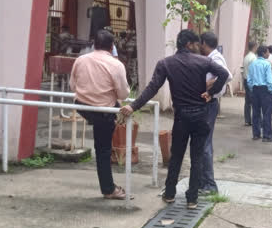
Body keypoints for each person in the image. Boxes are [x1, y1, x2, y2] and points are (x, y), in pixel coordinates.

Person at [121, 29, 229, 208]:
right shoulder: (204, 61)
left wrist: (133, 106)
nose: (198, 48)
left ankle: (170, 193)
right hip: (201, 116)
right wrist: (210, 92)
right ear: (189, 44)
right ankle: (192, 199)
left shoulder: (166, 63)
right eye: (196, 44)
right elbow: (224, 74)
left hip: (181, 117)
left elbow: (152, 88)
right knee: (197, 158)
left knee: (176, 156)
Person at [69, 30, 131, 200]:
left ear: (93, 44)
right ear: (112, 47)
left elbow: (72, 86)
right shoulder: (116, 65)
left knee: (103, 139)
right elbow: (123, 93)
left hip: (82, 106)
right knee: (103, 148)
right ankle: (108, 189)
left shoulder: (80, 60)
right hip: (104, 111)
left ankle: (109, 186)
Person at [199, 32, 231, 195]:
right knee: (202, 143)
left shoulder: (215, 58)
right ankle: (202, 181)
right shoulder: (213, 56)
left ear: (204, 43)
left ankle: (209, 184)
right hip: (209, 103)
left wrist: (207, 86)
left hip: (209, 103)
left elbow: (227, 76)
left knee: (205, 144)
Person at [247, 45, 272, 142]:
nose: (268, 54)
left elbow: (249, 80)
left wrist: (252, 88)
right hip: (265, 89)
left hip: (255, 89)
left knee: (256, 112)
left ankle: (256, 134)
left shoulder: (252, 64)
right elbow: (269, 80)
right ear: (263, 53)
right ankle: (267, 136)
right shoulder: (266, 64)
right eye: (267, 52)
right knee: (267, 112)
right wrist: (271, 90)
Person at [242, 40, 258, 126]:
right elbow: (254, 72)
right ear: (254, 47)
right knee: (254, 102)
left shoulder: (246, 57)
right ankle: (255, 120)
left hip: (245, 79)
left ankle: (247, 120)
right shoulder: (254, 58)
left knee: (247, 102)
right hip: (251, 81)